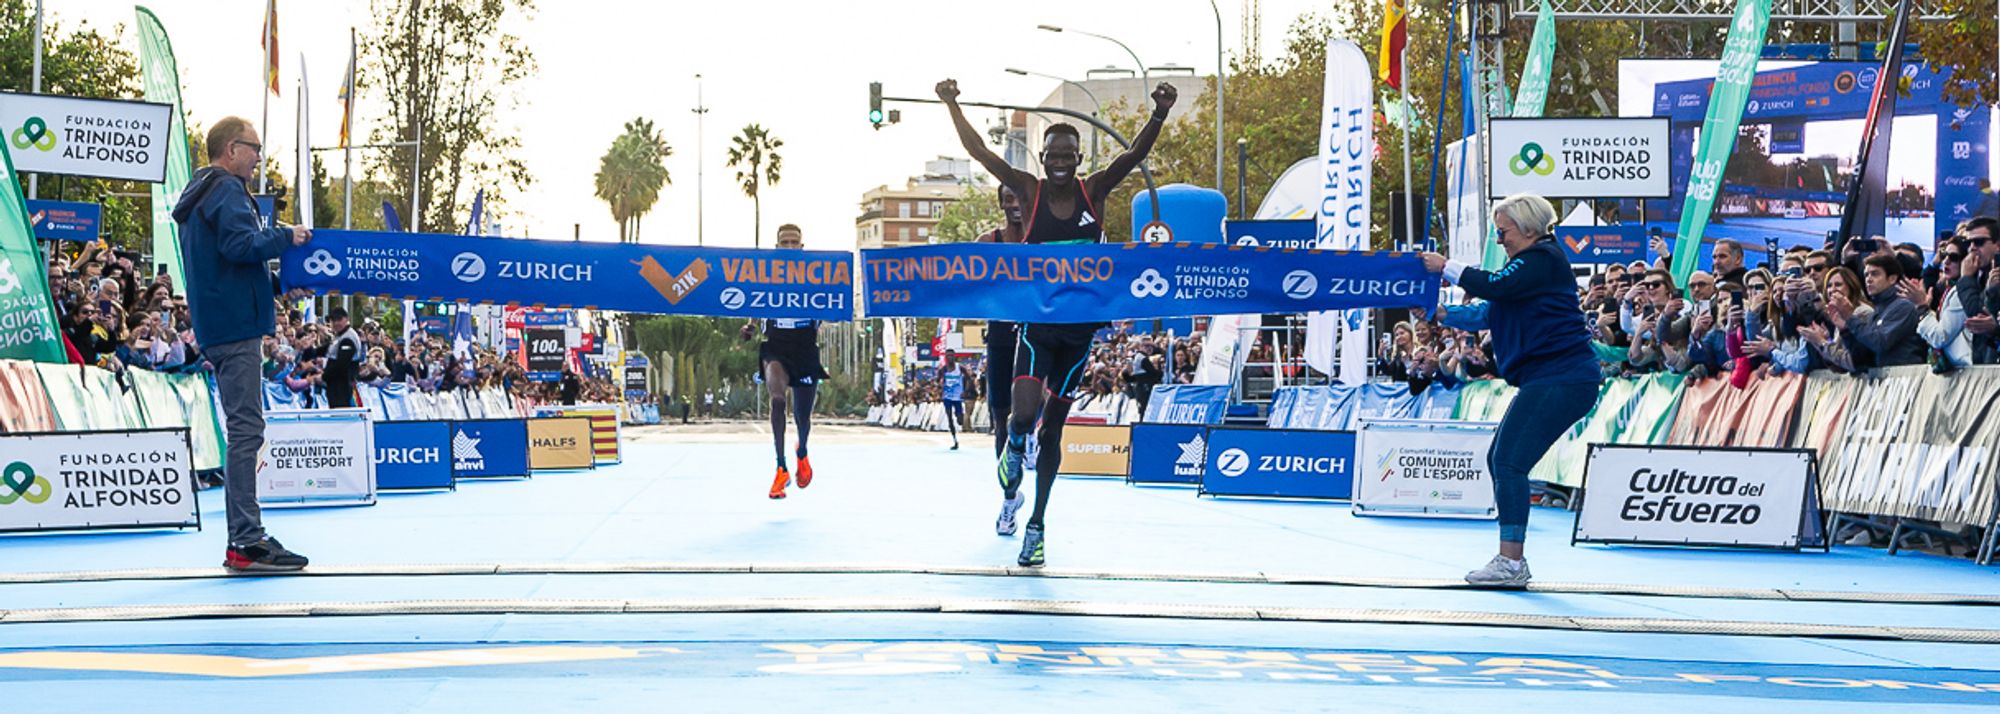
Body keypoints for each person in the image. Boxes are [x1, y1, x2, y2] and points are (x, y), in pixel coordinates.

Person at [939, 76, 1176, 565]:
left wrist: (1159, 112)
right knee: (1022, 417)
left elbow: (1132, 157)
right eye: (1054, 154)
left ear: (1079, 159)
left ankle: (1037, 525)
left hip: (1079, 334)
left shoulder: (1095, 191)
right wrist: (951, 105)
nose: (1062, 161)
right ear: (1044, 159)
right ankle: (1012, 450)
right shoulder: (1029, 191)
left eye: (1070, 154)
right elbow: (982, 152)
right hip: (1036, 329)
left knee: (1053, 434)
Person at [1420, 193, 1600, 587]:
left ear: (1530, 228)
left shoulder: (1542, 259)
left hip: (1561, 376)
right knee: (1500, 459)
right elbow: (1490, 311)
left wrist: (1444, 266)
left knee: (1508, 463)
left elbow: (1493, 288)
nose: (1499, 240)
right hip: (1551, 377)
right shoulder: (1529, 266)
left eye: (1503, 231)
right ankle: (1511, 556)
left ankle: (1511, 561)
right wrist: (1443, 314)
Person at [173, 116, 313, 572]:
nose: (258, 158)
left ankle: (246, 537)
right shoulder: (227, 190)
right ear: (231, 149)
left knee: (244, 430)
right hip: (235, 328)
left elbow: (226, 262)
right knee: (247, 432)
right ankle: (246, 541)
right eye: (254, 148)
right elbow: (240, 245)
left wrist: (276, 285)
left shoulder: (201, 195)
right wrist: (284, 237)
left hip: (222, 321)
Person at [739, 224, 831, 499]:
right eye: (785, 242)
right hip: (775, 346)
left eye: (794, 242)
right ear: (777, 247)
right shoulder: (767, 274)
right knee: (778, 400)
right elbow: (756, 301)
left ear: (802, 247)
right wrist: (750, 327)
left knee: (803, 416)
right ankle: (780, 468)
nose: (789, 247)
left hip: (804, 346)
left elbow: (830, 301)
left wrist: (826, 315)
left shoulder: (816, 275)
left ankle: (801, 450)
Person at [976, 184, 1026, 462]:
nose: (1015, 204)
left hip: (1037, 335)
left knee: (1030, 412)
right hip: (1000, 336)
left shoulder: (1043, 242)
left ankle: (1029, 457)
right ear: (1001, 204)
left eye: (1020, 197)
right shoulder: (988, 242)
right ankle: (1006, 487)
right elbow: (960, 279)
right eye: (1009, 198)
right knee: (1001, 416)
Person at [318, 306, 362, 408]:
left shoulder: (348, 338)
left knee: (340, 412)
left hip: (342, 384)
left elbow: (341, 364)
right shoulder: (339, 336)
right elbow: (325, 351)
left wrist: (324, 376)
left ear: (346, 319)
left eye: (339, 319)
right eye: (333, 320)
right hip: (337, 383)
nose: (336, 323)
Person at [938, 353, 966, 450]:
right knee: (949, 417)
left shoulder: (960, 368)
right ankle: (955, 440)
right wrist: (940, 386)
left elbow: (969, 378)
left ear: (954, 357)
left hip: (958, 396)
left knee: (960, 420)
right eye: (948, 356)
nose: (950, 358)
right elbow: (938, 381)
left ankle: (960, 416)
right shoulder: (943, 370)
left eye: (951, 356)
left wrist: (965, 391)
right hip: (947, 397)